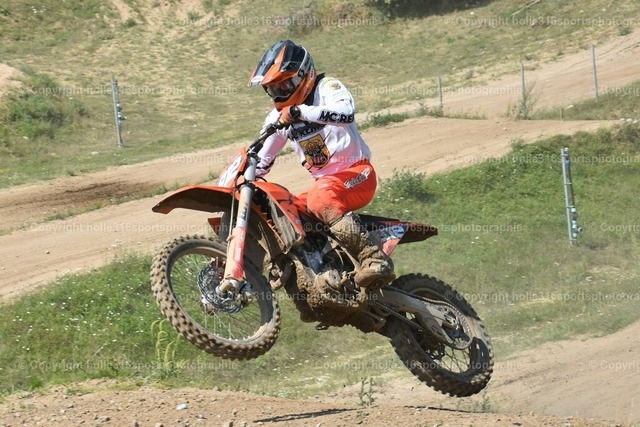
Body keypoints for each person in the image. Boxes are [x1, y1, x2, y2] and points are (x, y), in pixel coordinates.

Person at [248, 40, 394, 289]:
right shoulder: (278, 117)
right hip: (325, 185)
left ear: (303, 74)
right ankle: (323, 270)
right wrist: (242, 176)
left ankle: (374, 259)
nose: (280, 93)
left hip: (357, 174)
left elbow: (346, 112)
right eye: (273, 89)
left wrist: (301, 112)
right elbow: (261, 158)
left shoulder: (327, 87)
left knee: (319, 197)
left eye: (284, 85)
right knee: (285, 211)